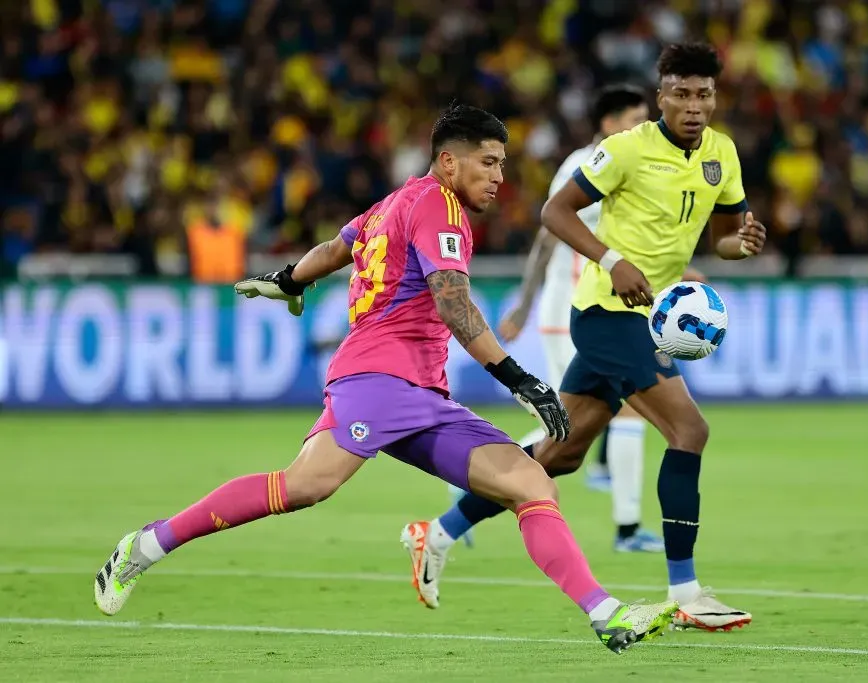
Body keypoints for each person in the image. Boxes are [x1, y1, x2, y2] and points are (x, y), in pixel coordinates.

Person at [92, 104, 677, 653]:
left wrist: (290, 279)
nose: (501, 176)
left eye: (503, 163)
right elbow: (455, 305)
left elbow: (333, 248)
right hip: (380, 379)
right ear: (450, 161)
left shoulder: (393, 203)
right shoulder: (439, 208)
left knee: (531, 484)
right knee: (306, 487)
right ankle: (144, 545)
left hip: (415, 390)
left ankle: (607, 614)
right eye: (489, 161)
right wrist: (518, 378)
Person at [402, 44, 766, 633]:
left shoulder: (721, 155)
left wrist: (740, 244)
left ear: (714, 97)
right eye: (681, 93)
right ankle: (688, 593)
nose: (693, 105)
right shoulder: (623, 150)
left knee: (561, 453)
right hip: (605, 313)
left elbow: (723, 236)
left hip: (648, 317)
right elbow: (555, 212)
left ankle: (437, 532)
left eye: (704, 94)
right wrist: (612, 258)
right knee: (689, 430)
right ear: (661, 95)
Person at [495, 84, 707, 553]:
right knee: (565, 428)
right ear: (608, 123)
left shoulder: (637, 162)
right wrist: (526, 305)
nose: (644, 126)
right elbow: (549, 236)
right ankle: (479, 477)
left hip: (614, 310)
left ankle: (627, 526)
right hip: (571, 308)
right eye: (634, 118)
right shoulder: (579, 166)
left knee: (592, 422)